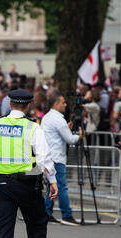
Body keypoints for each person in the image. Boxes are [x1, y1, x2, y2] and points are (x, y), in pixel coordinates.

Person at [0, 89, 59, 238]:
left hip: (1, 183)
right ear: (28, 106)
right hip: (27, 183)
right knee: (36, 227)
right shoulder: (32, 127)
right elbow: (44, 157)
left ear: (10, 104)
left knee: (3, 230)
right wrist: (52, 180)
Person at [41, 91, 84, 225]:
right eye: (63, 102)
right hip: (57, 158)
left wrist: (66, 128)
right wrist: (80, 136)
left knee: (51, 187)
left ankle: (47, 213)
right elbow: (70, 139)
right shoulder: (58, 119)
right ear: (56, 103)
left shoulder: (47, 117)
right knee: (62, 187)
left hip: (48, 157)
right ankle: (66, 215)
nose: (65, 105)